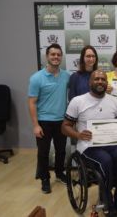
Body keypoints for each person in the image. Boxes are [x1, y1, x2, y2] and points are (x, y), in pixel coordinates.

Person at [61, 70, 117, 217]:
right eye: (96, 79)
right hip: (88, 146)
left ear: (107, 82)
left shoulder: (113, 100)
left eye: (103, 79)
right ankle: (109, 206)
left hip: (111, 143)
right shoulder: (78, 101)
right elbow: (65, 127)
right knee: (105, 161)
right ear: (90, 82)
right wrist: (78, 134)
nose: (100, 81)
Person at [28, 43, 70, 194]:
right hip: (43, 122)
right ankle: (45, 179)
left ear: (61, 57)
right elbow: (32, 102)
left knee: (61, 151)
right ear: (47, 56)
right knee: (43, 152)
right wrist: (35, 125)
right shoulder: (36, 78)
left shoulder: (66, 76)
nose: (56, 57)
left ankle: (59, 173)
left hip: (61, 121)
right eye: (53, 54)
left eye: (58, 55)